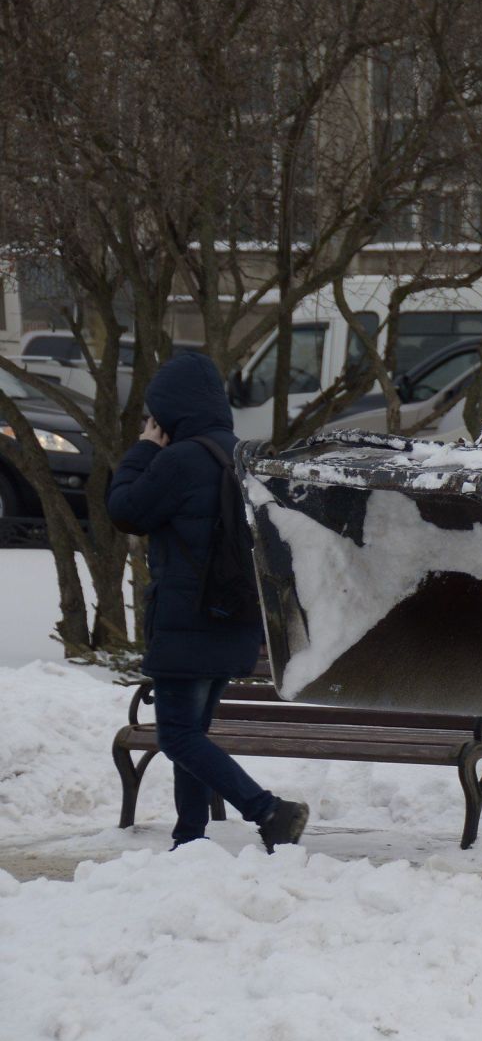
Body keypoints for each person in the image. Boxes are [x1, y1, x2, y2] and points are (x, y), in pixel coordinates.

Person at [108, 350, 308, 853]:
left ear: (169, 410)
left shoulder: (177, 459)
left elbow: (126, 510)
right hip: (234, 619)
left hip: (187, 621)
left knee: (176, 735)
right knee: (191, 733)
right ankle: (189, 837)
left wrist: (143, 450)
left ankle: (269, 810)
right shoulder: (240, 456)